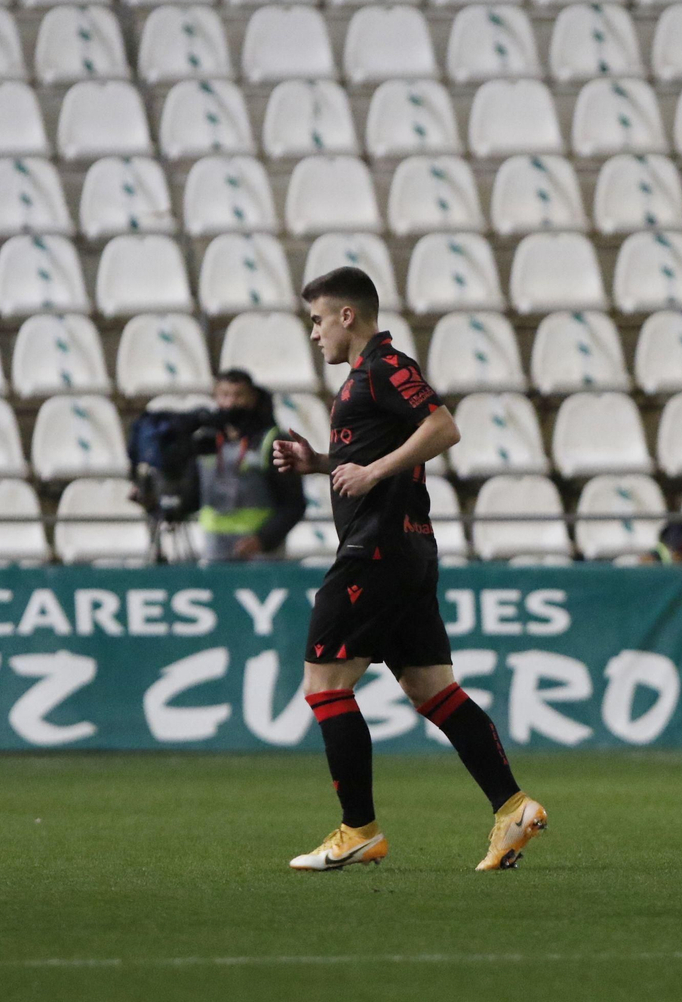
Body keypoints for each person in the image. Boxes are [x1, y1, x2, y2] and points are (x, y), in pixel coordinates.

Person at [272, 266, 547, 872]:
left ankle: (358, 830)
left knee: (325, 687)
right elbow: (373, 455)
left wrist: (371, 473)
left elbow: (443, 427)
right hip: (406, 551)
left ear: (348, 315)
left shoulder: (384, 367)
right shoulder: (365, 379)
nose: (314, 333)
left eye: (318, 319)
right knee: (433, 691)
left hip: (376, 552)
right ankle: (513, 808)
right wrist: (321, 462)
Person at [197, 369, 305, 561]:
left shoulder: (273, 442)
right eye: (224, 395)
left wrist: (263, 539)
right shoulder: (205, 439)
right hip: (214, 551)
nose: (230, 403)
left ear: (253, 398)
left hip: (262, 554)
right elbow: (192, 493)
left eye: (239, 396)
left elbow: (293, 503)